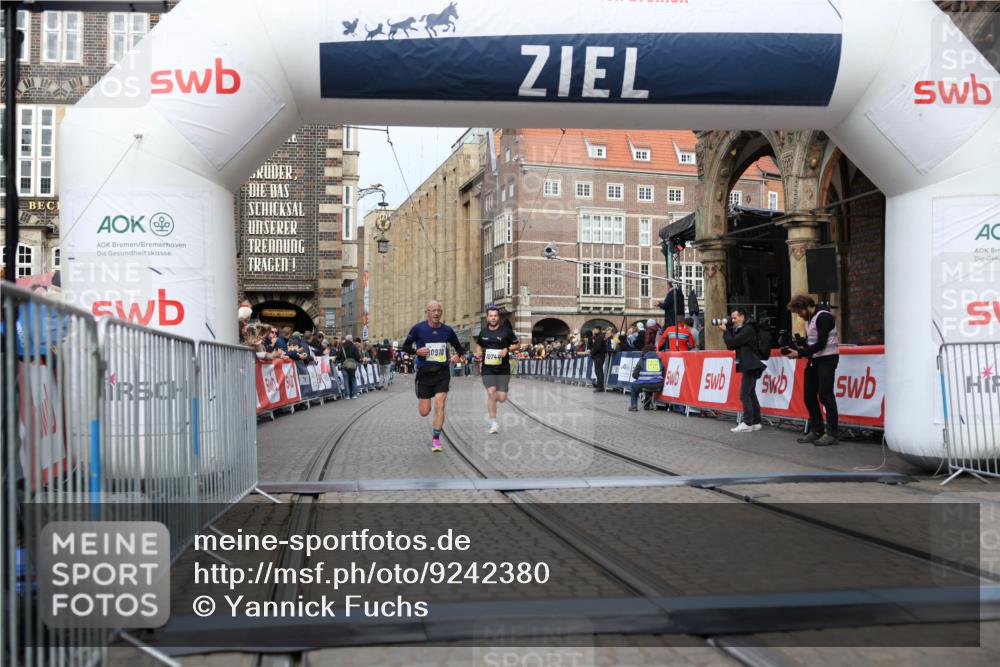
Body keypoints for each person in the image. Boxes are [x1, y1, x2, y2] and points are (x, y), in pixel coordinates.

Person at [402, 300, 465, 452]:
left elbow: (459, 347)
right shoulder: (418, 329)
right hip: (424, 374)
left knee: (440, 403)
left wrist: (459, 356)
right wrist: (416, 351)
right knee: (424, 412)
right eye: (433, 310)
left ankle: (436, 439)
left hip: (442, 373)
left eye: (439, 310)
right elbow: (405, 347)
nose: (436, 313)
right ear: (427, 312)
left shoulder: (447, 330)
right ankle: (422, 398)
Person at [786, 294, 840, 446]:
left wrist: (800, 353)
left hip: (827, 359)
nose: (799, 315)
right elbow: (814, 343)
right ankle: (817, 430)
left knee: (825, 394)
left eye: (799, 312)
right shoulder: (810, 319)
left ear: (806, 307)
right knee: (809, 395)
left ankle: (832, 434)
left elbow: (822, 343)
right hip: (814, 360)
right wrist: (801, 348)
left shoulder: (824, 317)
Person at [474, 305, 521, 434]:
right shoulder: (483, 332)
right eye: (491, 316)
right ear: (487, 317)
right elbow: (479, 344)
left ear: (498, 317)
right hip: (488, 368)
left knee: (501, 398)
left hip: (503, 369)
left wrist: (507, 349)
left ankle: (495, 400)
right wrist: (478, 353)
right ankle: (493, 423)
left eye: (495, 316)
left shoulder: (506, 331)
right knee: (491, 392)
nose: (493, 318)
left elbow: (518, 344)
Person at [721, 308, 765, 433]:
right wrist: (727, 330)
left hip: (751, 363)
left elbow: (733, 342)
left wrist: (725, 331)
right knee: (751, 393)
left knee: (744, 394)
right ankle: (756, 422)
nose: (732, 320)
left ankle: (747, 422)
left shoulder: (748, 329)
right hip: (749, 363)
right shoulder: (742, 329)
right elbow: (731, 345)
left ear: (742, 317)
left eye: (734, 318)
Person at [628, 342, 666, 412]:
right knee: (651, 383)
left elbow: (634, 375)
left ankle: (634, 406)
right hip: (659, 385)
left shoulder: (642, 360)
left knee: (634, 386)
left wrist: (640, 377)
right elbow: (663, 372)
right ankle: (647, 405)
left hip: (645, 384)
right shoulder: (659, 360)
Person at [340, 334, 362, 399]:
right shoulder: (354, 347)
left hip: (344, 364)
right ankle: (354, 394)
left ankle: (347, 395)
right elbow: (358, 357)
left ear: (346, 339)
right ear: (351, 339)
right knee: (353, 379)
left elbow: (339, 355)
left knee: (346, 380)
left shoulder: (342, 346)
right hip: (352, 365)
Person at [589, 326, 608, 391]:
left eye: (594, 329)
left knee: (599, 371)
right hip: (598, 356)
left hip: (599, 356)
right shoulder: (598, 337)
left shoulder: (600, 337)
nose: (593, 331)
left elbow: (598, 347)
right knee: (598, 371)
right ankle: (599, 385)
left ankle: (600, 386)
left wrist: (592, 352)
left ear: (598, 330)